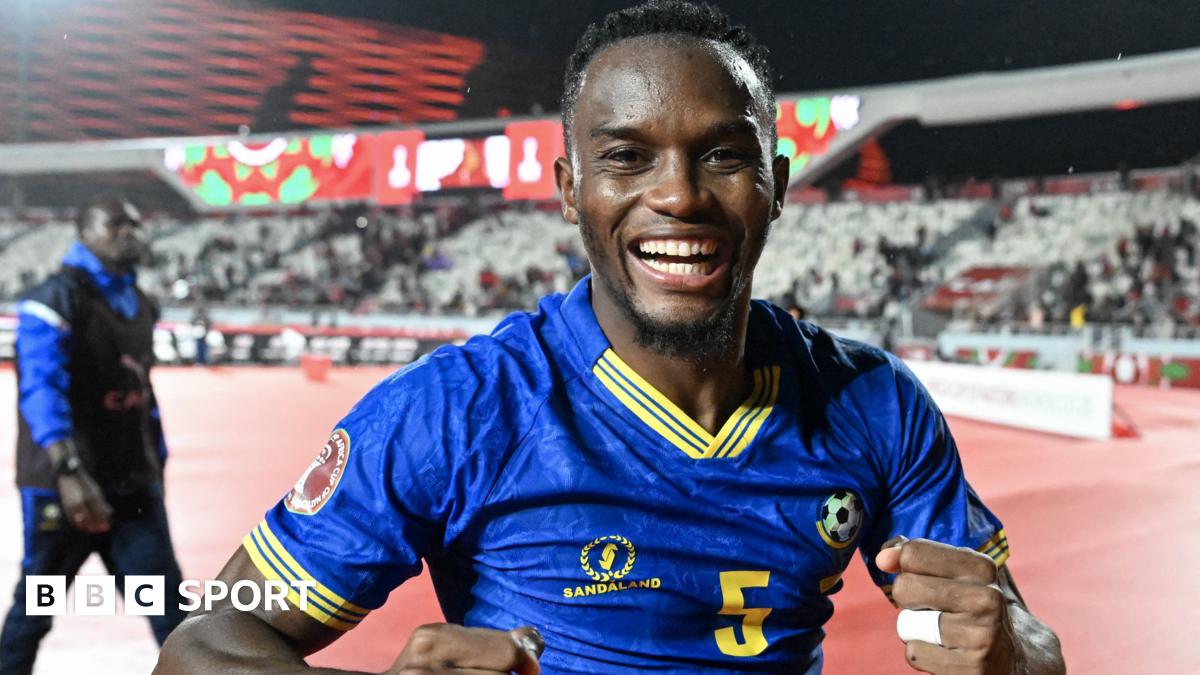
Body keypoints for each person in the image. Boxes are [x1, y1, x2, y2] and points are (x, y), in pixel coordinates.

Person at [156, 3, 1064, 673]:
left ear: (778, 184)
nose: (678, 195)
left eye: (723, 154)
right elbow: (205, 642)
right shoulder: (456, 410)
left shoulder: (875, 402)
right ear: (569, 189)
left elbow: (1021, 638)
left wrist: (1016, 654)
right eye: (628, 157)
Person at [1, 198, 187, 673]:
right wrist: (67, 470)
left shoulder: (140, 303)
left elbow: (142, 394)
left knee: (175, 616)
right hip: (63, 488)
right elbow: (40, 389)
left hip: (132, 487)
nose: (130, 231)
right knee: (32, 614)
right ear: (84, 230)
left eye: (136, 223)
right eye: (116, 223)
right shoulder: (52, 300)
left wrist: (157, 464)